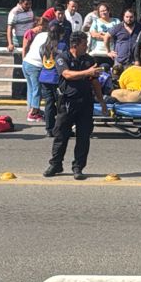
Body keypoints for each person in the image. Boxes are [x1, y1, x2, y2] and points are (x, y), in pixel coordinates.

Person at [44, 33, 107, 180]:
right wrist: (87, 72)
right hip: (67, 102)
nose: (86, 47)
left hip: (85, 102)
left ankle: (78, 167)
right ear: (75, 45)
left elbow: (95, 82)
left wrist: (102, 101)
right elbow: (67, 74)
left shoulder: (89, 60)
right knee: (61, 134)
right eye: (84, 44)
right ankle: (56, 164)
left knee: (83, 136)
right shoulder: (62, 57)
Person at [21, 14, 51, 121]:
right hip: (35, 66)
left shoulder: (39, 35)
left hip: (27, 63)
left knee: (31, 88)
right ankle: (33, 113)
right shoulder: (48, 38)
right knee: (36, 89)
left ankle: (32, 108)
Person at [87, 2, 116, 68]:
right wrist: (108, 36)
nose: (103, 12)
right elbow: (93, 34)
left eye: (105, 10)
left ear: (109, 11)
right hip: (97, 52)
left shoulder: (116, 21)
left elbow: (118, 34)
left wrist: (102, 35)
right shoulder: (96, 21)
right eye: (101, 11)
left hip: (111, 52)